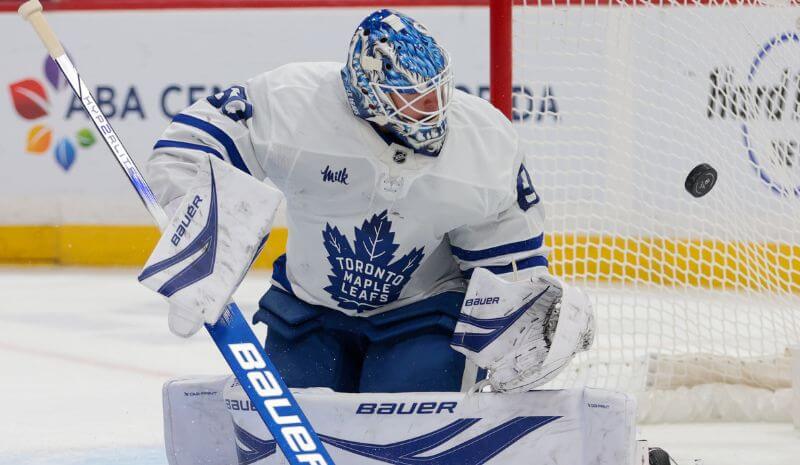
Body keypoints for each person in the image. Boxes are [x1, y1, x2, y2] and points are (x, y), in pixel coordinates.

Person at [146, 9, 594, 395]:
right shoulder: (295, 104)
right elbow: (191, 144)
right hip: (308, 310)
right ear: (366, 92)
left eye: (436, 93)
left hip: (423, 315)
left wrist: (527, 319)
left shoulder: (484, 143)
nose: (432, 110)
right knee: (290, 427)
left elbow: (509, 259)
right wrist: (198, 237)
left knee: (413, 427)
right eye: (413, 100)